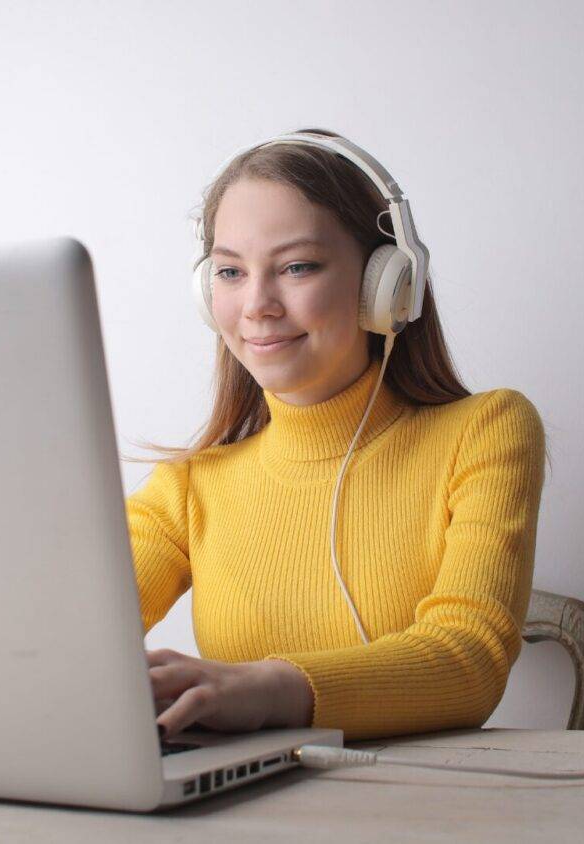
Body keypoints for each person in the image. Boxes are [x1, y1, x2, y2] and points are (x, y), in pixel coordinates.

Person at [125, 128, 549, 743]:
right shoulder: (189, 487)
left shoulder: (487, 432)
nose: (257, 306)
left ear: (386, 285)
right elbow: (63, 636)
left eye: (297, 266)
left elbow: (470, 660)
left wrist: (267, 689)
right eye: (230, 272)